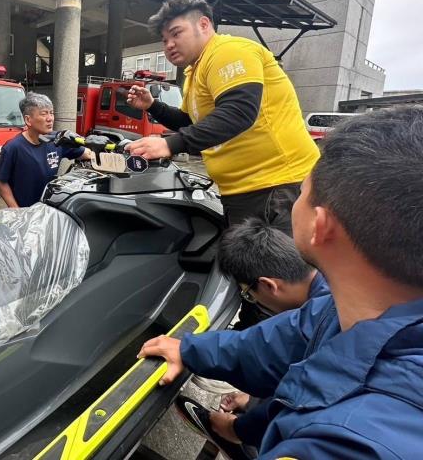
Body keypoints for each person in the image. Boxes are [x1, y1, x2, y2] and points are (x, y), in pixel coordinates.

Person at [139, 106, 423, 459]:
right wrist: (188, 349)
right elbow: (275, 343)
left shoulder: (340, 446)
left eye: (302, 190)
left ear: (321, 225)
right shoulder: (351, 310)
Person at [125, 0, 319, 235]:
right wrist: (153, 105)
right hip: (243, 188)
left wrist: (170, 144)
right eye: (164, 40)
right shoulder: (195, 71)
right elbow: (191, 121)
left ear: (204, 25)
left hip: (276, 185)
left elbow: (239, 111)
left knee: (278, 272)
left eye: (176, 33)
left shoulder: (229, 51)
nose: (169, 45)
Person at [175, 218, 329, 458]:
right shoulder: (337, 284)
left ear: (269, 285)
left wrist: (234, 429)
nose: (252, 300)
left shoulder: (319, 320)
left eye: (248, 294)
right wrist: (253, 400)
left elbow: (260, 351)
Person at [0, 92, 92, 208]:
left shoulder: (59, 140)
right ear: (28, 120)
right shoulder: (13, 147)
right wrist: (16, 211)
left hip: (50, 209)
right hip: (26, 212)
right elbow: (1, 182)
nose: (50, 118)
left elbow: (87, 154)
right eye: (44, 114)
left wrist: (97, 147)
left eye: (51, 113)